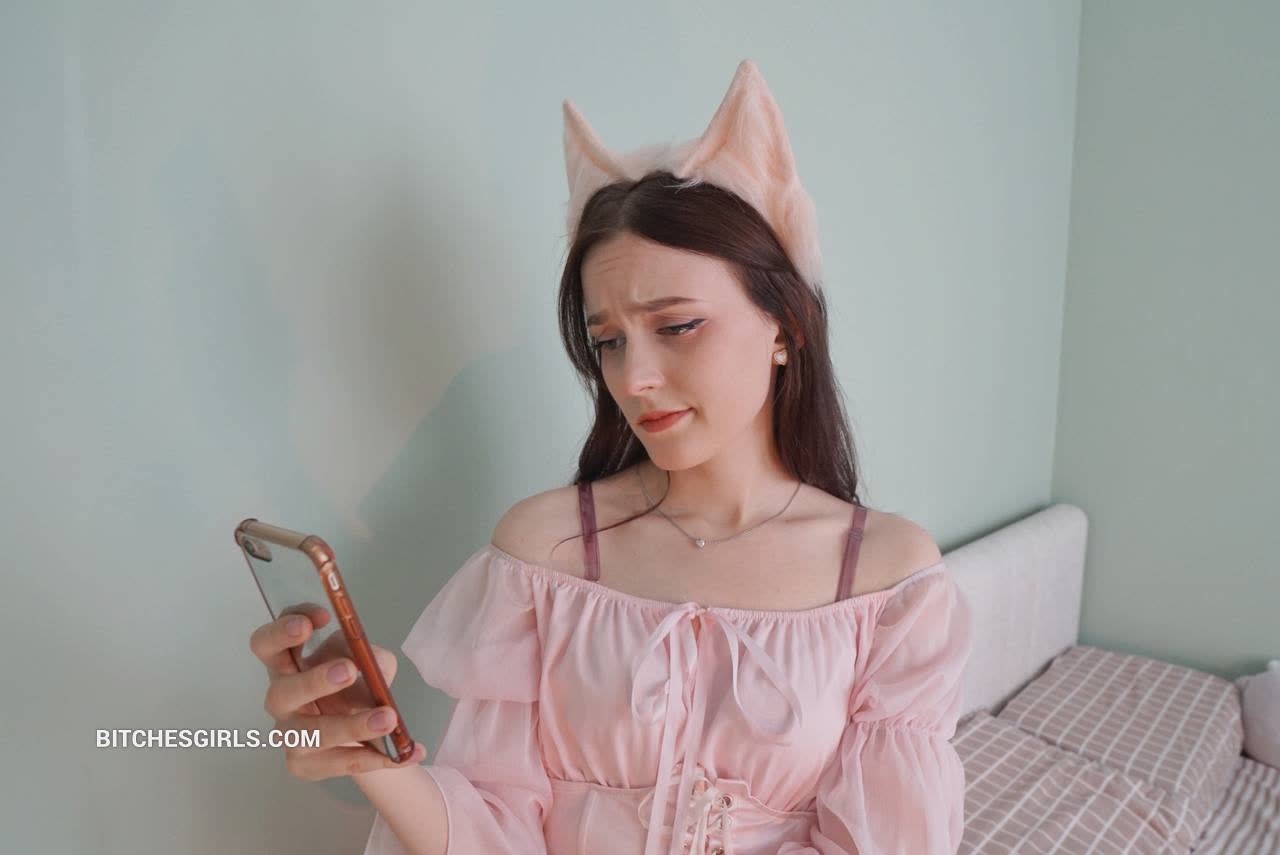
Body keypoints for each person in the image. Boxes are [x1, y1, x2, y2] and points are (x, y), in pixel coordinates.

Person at [249, 59, 974, 855]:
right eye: (608, 341)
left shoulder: (886, 580)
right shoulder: (546, 553)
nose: (633, 379)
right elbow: (496, 825)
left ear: (786, 327)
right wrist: (372, 758)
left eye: (678, 325)